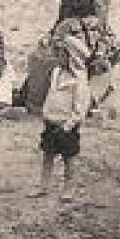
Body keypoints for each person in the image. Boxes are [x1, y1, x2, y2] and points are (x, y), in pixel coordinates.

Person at [31, 15, 93, 201]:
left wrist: (68, 125)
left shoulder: (79, 81)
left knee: (69, 159)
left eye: (61, 54)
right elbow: (51, 94)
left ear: (72, 56)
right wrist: (46, 113)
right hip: (51, 121)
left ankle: (69, 189)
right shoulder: (57, 73)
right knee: (47, 155)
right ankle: (44, 185)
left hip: (67, 126)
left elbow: (80, 109)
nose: (58, 57)